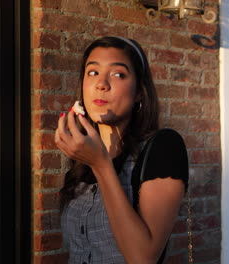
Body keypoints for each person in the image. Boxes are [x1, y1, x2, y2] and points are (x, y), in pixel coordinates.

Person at [55, 36, 189, 264]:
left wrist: (101, 165)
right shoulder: (82, 161)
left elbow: (143, 258)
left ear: (139, 91)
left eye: (118, 74)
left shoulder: (163, 147)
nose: (101, 84)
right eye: (93, 73)